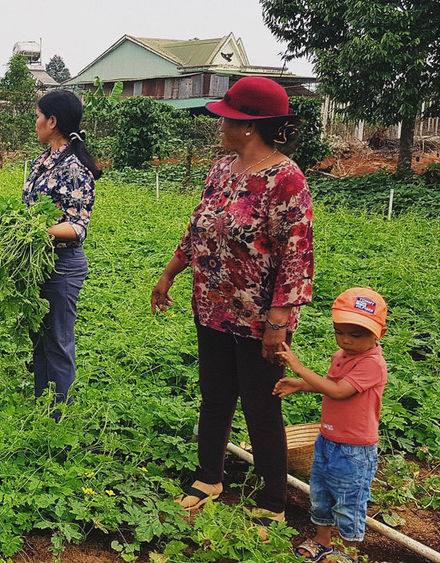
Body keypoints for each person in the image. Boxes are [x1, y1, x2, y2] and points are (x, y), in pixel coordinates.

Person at [150, 77, 314, 525]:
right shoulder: (222, 169)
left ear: (250, 125)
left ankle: (273, 501)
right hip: (212, 306)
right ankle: (209, 477)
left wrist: (277, 324)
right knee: (215, 395)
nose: (219, 122)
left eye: (228, 116)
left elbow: (296, 256)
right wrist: (168, 274)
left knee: (262, 406)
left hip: (260, 317)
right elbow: (197, 230)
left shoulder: (285, 178)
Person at [275, 287, 388, 562]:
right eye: (340, 332)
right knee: (321, 494)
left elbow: (339, 392)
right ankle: (322, 540)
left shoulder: (373, 363)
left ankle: (349, 551)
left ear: (378, 334)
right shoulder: (341, 356)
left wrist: (300, 369)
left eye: (356, 334)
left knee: (350, 501)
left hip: (355, 449)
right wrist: (301, 385)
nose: (346, 340)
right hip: (327, 439)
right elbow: (334, 386)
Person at [24, 90, 100, 413]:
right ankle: (43, 406)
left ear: (52, 121)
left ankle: (60, 415)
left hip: (62, 264)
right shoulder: (45, 161)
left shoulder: (73, 167)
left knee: (58, 340)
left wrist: (35, 230)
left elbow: (76, 227)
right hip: (39, 263)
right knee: (40, 340)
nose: (36, 121)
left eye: (39, 115)